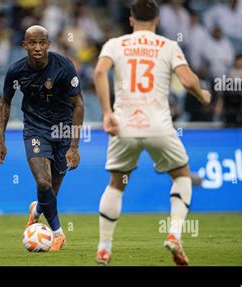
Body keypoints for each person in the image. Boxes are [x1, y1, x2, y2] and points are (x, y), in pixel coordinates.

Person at [93, 0, 211, 265]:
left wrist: (106, 113)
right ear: (157, 20)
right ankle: (174, 233)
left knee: (116, 184)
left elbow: (100, 71)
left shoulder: (115, 44)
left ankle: (104, 247)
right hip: (158, 125)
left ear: (131, 20)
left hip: (123, 126)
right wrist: (203, 96)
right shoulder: (168, 46)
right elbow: (188, 80)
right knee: (182, 176)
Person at [0, 25, 84, 252]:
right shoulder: (16, 71)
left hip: (63, 131)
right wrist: (1, 140)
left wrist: (74, 146)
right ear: (24, 45)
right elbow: (5, 102)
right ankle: (58, 234)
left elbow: (78, 104)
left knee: (50, 194)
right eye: (31, 43)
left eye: (41, 43)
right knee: (42, 182)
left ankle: (36, 211)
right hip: (35, 129)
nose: (37, 48)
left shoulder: (64, 67)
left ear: (48, 44)